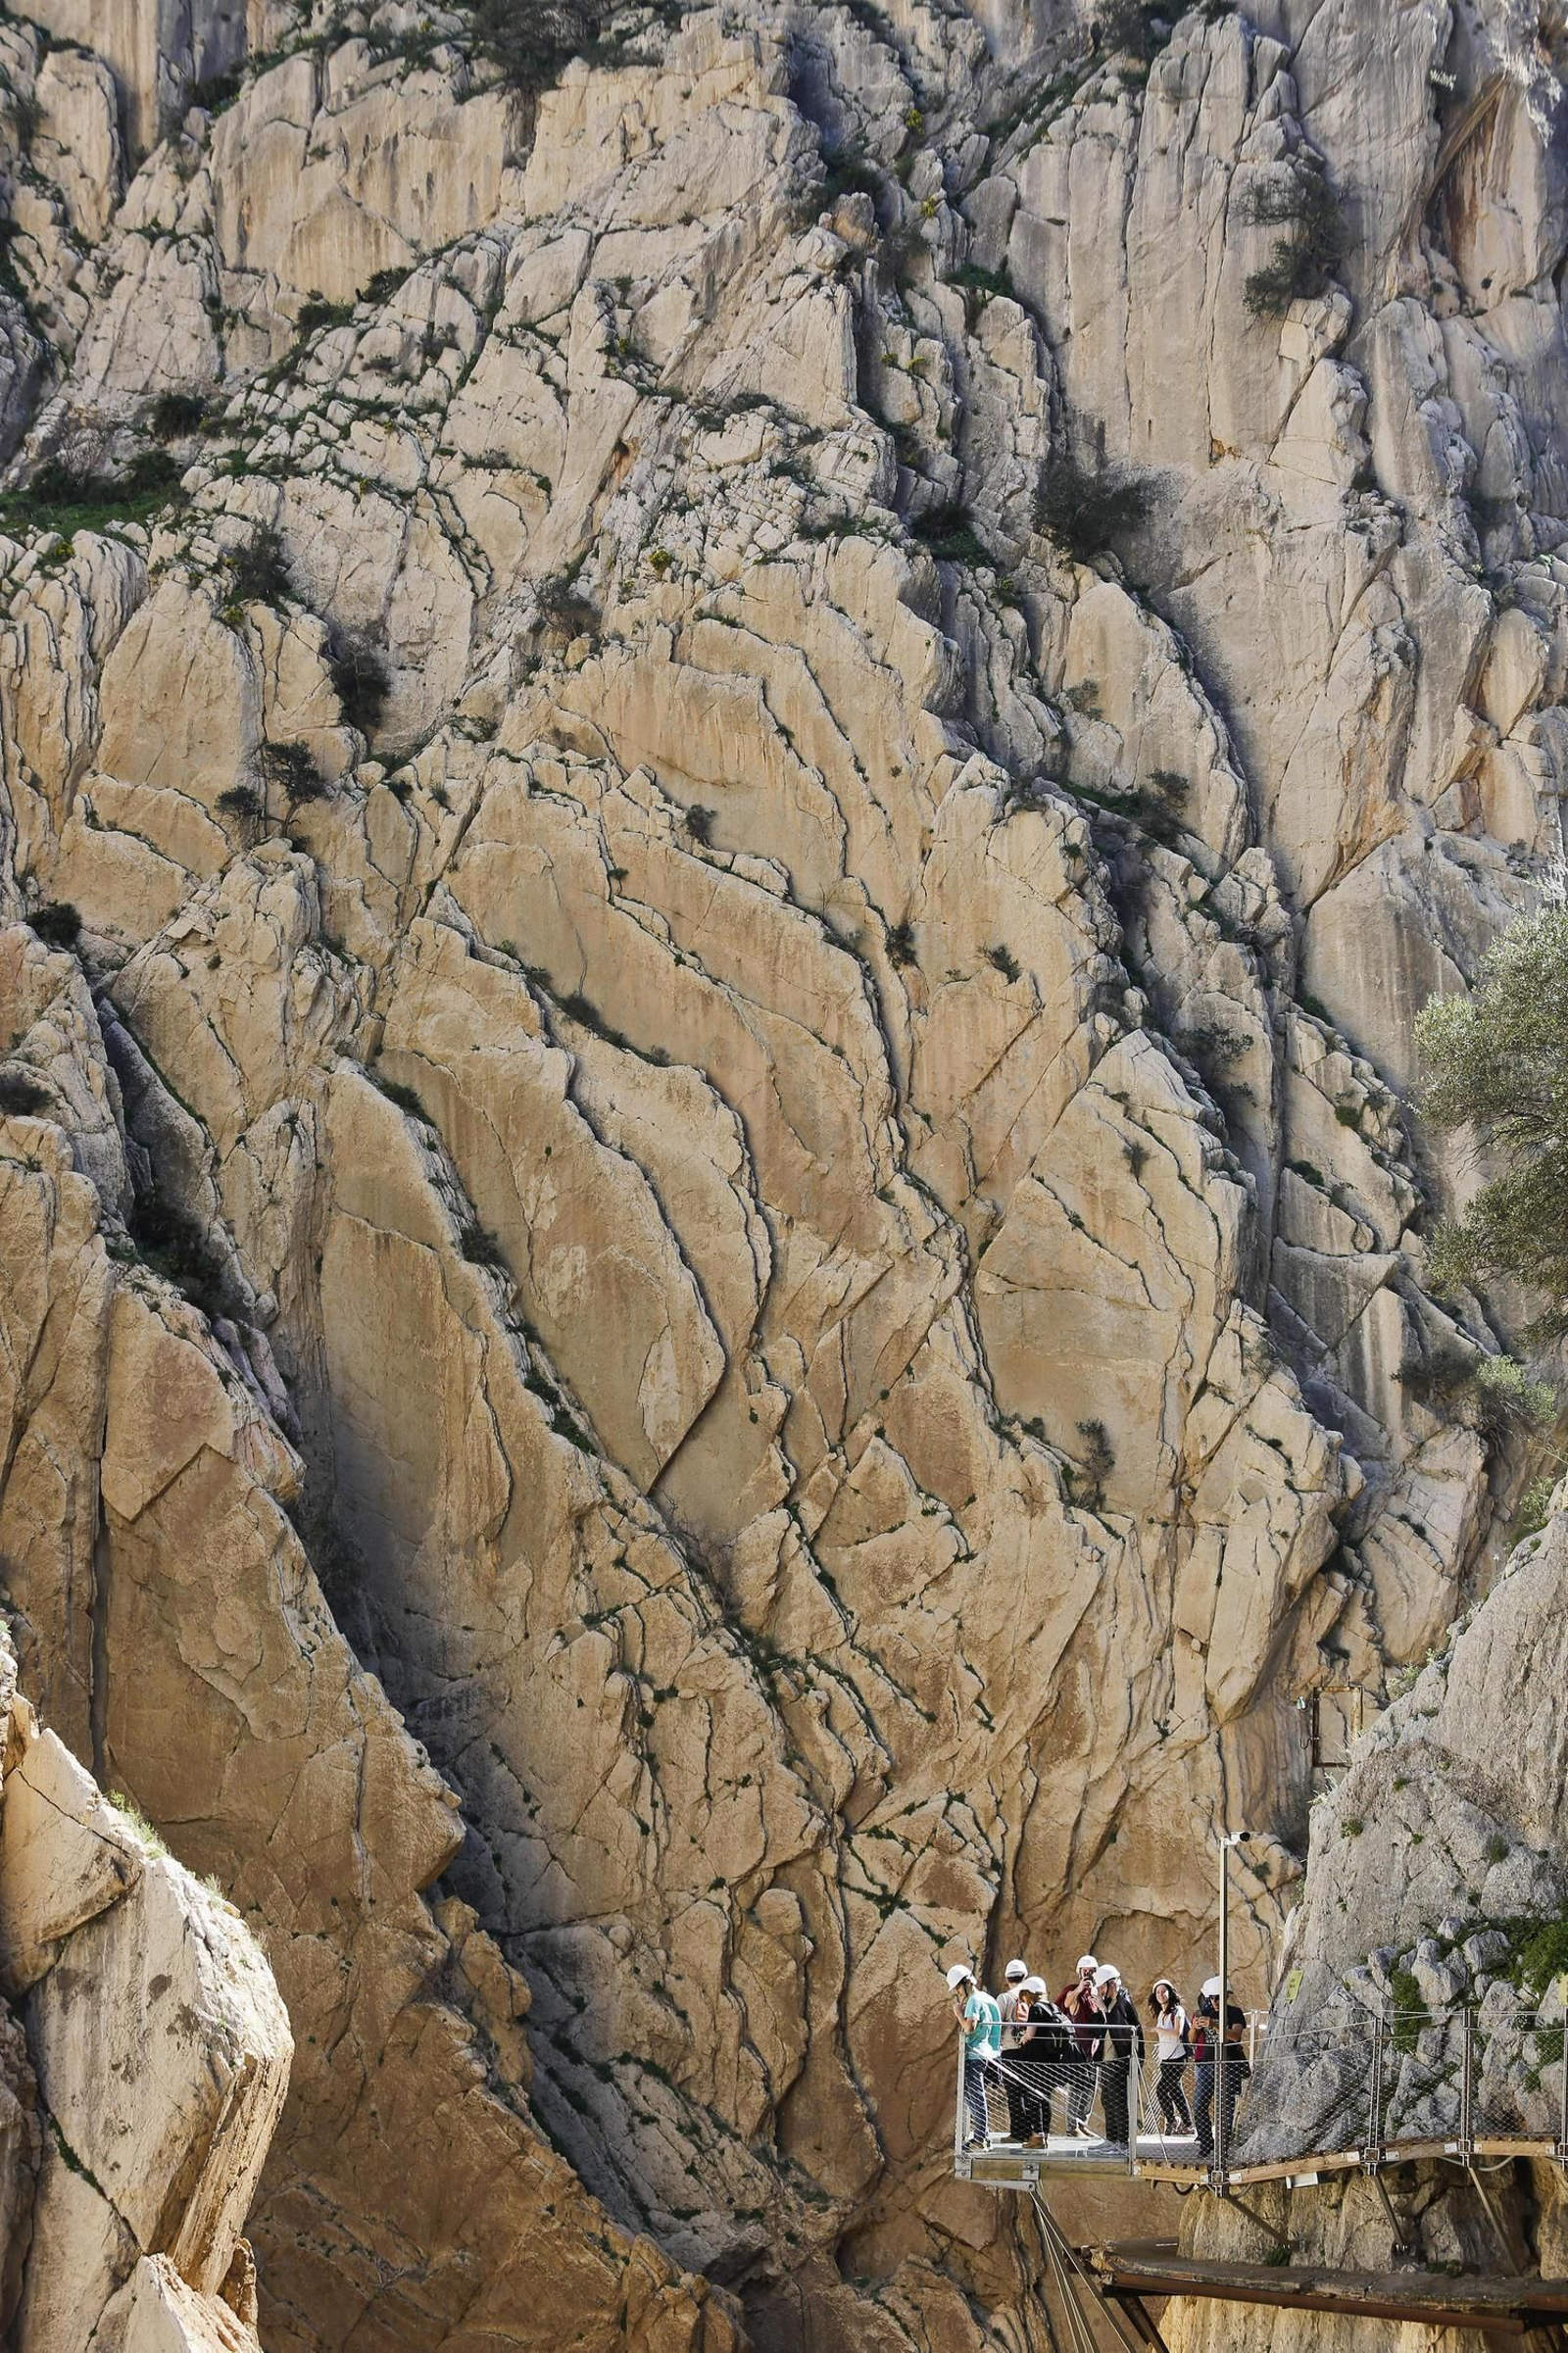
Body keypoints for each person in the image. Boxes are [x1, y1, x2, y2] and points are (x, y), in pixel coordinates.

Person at [948, 1963, 1002, 2148]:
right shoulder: (988, 1999)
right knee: (971, 2093)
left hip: (974, 2055)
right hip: (989, 2054)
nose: (957, 1992)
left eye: (957, 1987)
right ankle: (982, 2134)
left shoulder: (974, 2001)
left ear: (965, 1983)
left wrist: (958, 2014)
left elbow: (970, 2027)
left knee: (975, 2095)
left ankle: (980, 2137)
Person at [1016, 1975, 1074, 2145]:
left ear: (1030, 1993)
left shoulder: (1036, 2009)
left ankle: (1038, 2135)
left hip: (1037, 2060)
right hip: (1052, 2059)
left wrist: (1022, 2039)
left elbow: (1030, 2033)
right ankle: (1044, 2135)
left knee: (1034, 2097)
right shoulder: (1052, 2006)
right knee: (1045, 2097)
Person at [1094, 1963, 1143, 2151]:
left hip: (1120, 2060)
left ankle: (1122, 2141)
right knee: (1107, 2099)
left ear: (1111, 1983)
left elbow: (1122, 2031)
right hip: (1108, 2058)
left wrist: (1105, 2012)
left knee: (1118, 2100)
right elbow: (1100, 2027)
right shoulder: (1110, 2002)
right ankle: (1111, 2139)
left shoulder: (1123, 2002)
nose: (1100, 1991)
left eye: (1102, 1986)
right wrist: (1100, 2011)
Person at [1057, 1954, 1103, 2138]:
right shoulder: (1073, 1991)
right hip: (1079, 2049)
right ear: (1080, 1972)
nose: (1089, 1974)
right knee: (1077, 2087)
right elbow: (1066, 2003)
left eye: (1092, 1971)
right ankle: (1072, 2126)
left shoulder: (1095, 1994)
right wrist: (1079, 1988)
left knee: (1090, 2088)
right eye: (1086, 1971)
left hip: (1094, 2048)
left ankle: (1082, 2123)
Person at [1148, 1978, 1193, 2135]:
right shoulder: (1161, 2013)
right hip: (1165, 2059)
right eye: (1158, 1992)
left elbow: (1176, 2033)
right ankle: (1188, 2124)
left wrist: (1157, 2030)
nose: (1161, 1995)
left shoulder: (1178, 2011)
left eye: (1163, 1991)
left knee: (1161, 2090)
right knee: (1175, 2091)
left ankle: (1172, 2120)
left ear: (1170, 1993)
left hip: (1178, 2058)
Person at [997, 1958, 1031, 2143]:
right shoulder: (1032, 1996)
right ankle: (1033, 2132)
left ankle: (1017, 2133)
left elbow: (997, 2024)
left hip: (1010, 2049)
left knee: (1014, 2093)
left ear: (1007, 1978)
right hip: (1029, 2049)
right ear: (1025, 1976)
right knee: (1028, 2091)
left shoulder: (1005, 1998)